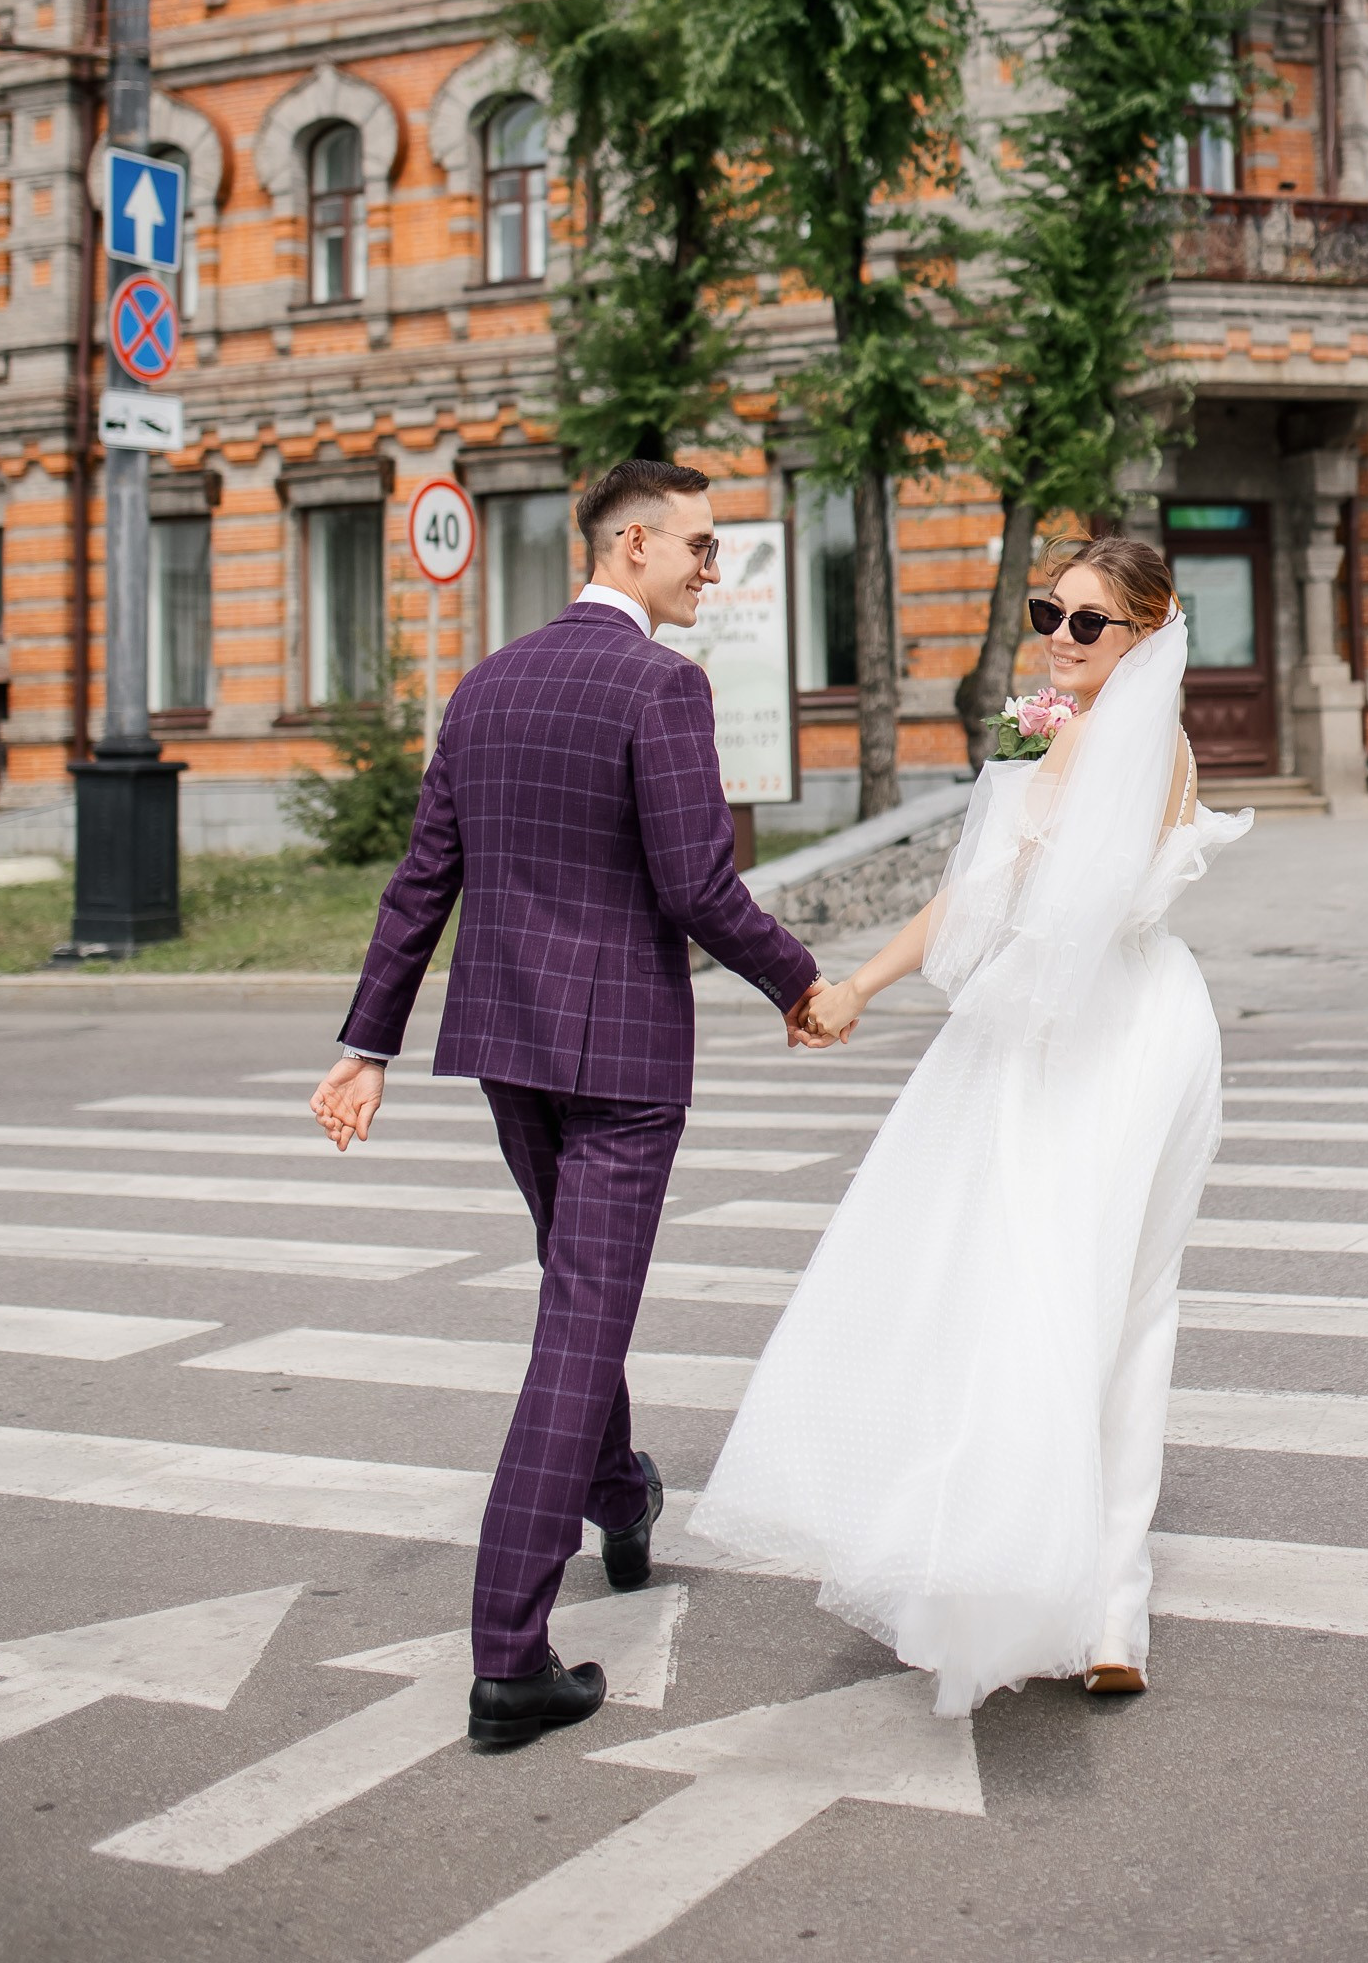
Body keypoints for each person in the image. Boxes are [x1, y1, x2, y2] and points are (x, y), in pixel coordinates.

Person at [308, 457, 827, 1754]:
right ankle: (508, 1656)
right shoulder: (663, 685)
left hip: (505, 1044)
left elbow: (425, 880)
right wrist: (800, 983)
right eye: (702, 548)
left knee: (574, 1293)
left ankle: (619, 1489)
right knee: (578, 1330)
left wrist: (367, 1041)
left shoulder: (486, 683)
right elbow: (699, 887)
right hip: (624, 1065)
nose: (718, 567)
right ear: (635, 546)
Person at [689, 534, 1252, 1714]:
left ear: (1145, 636)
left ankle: (1071, 1594)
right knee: (1078, 1297)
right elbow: (984, 885)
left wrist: (880, 973)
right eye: (1050, 610)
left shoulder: (1110, 741)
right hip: (1101, 1024)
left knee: (1076, 1298)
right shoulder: (1087, 730)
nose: (1057, 632)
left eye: (1088, 621)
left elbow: (1016, 895)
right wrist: (858, 981)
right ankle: (1072, 1591)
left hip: (1105, 1036)